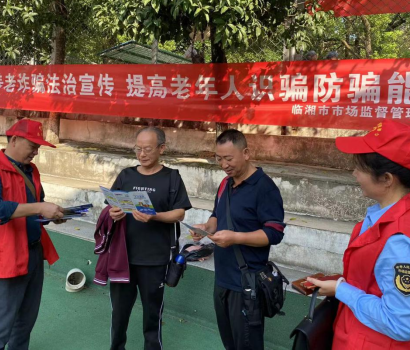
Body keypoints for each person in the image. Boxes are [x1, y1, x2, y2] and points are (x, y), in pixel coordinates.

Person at [308, 120, 410, 350]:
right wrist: (341, 282)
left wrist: (341, 290)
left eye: (360, 169)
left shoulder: (399, 242)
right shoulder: (392, 214)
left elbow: (401, 324)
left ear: (387, 179)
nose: (354, 174)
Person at [191, 130, 286, 350]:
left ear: (246, 153)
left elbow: (274, 233)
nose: (224, 165)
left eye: (229, 158)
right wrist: (206, 228)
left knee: (248, 345)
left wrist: (235, 238)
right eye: (219, 159)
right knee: (230, 343)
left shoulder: (265, 187)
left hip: (247, 283)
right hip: (223, 279)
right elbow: (217, 215)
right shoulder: (225, 183)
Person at [0, 119, 66, 350]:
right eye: (33, 146)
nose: (36, 152)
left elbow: (37, 204)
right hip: (6, 256)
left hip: (34, 252)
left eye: (38, 147)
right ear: (14, 140)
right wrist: (39, 207)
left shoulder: (31, 170)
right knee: (0, 326)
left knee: (26, 321)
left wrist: (51, 214)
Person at [108, 126, 193, 350]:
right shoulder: (126, 175)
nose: (142, 154)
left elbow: (180, 213)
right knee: (119, 313)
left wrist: (154, 216)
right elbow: (111, 206)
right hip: (123, 257)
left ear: (161, 148)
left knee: (153, 315)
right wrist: (113, 213)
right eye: (138, 149)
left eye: (147, 149)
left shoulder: (172, 177)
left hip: (155, 259)